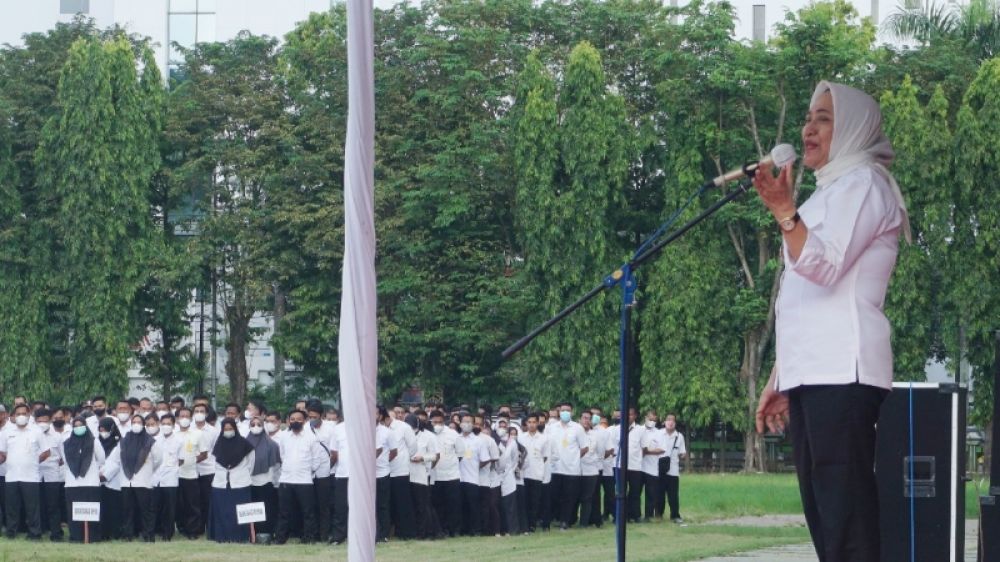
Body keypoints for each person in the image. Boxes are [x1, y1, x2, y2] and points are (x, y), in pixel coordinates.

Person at [754, 81, 910, 562]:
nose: (808, 128)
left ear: (854, 129)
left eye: (823, 118)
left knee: (847, 519)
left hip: (844, 370)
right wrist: (782, 376)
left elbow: (825, 266)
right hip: (813, 373)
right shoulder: (828, 192)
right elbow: (803, 299)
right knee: (826, 518)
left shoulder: (864, 182)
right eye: (808, 117)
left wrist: (783, 211)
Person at [273, 409, 324, 545]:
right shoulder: (283, 436)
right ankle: (280, 538)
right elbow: (282, 455)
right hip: (286, 479)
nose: (296, 421)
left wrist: (307, 471)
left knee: (308, 512)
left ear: (305, 420)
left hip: (305, 480)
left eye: (299, 419)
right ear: (289, 421)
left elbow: (316, 460)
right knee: (284, 512)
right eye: (293, 419)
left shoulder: (312, 437)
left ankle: (309, 538)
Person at [112, 414, 162, 542]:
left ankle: (148, 535)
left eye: (139, 422)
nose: (136, 424)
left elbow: (158, 460)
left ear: (143, 424)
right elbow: (117, 458)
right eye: (134, 421)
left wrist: (148, 471)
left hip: (143, 481)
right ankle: (128, 535)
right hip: (126, 481)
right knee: (127, 510)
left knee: (146, 511)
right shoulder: (124, 440)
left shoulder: (150, 441)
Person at [0, 403, 46, 539]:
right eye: (18, 414)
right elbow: (2, 453)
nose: (21, 416)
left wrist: (32, 462)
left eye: (23, 413)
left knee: (32, 508)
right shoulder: (6, 433)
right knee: (12, 508)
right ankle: (11, 533)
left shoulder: (36, 431)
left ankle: (35, 533)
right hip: (12, 476)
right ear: (13, 416)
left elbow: (46, 452)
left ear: (28, 415)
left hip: (30, 476)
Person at [208, 418, 255, 543]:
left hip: (241, 483)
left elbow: (251, 464)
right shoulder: (218, 444)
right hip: (220, 484)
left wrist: (240, 474)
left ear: (235, 429)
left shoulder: (245, 444)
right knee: (222, 512)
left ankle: (241, 537)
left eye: (231, 429)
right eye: (226, 429)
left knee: (239, 512)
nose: (228, 431)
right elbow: (214, 462)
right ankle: (222, 537)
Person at [61, 416, 106, 542]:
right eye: (75, 426)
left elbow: (101, 458)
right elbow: (65, 461)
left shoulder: (94, 441)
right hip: (72, 483)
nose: (78, 428)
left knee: (91, 512)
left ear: (86, 426)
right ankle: (76, 537)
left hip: (90, 482)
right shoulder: (67, 443)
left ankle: (93, 537)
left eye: (81, 425)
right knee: (74, 512)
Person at [548, 402, 588, 530]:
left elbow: (585, 447)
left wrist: (575, 457)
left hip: (572, 469)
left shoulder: (577, 428)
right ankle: (556, 518)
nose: (565, 412)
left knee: (569, 497)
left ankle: (565, 521)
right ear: (559, 411)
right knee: (554, 495)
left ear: (572, 412)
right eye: (563, 410)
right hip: (555, 468)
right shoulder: (552, 427)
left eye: (568, 410)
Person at [246, 415, 280, 543]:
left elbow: (276, 465)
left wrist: (272, 479)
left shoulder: (272, 444)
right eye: (253, 424)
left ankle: (266, 534)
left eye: (259, 425)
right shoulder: (244, 443)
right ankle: (252, 535)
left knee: (267, 509)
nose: (256, 427)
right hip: (248, 482)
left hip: (266, 481)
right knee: (251, 509)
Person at [175, 407, 207, 539]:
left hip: (191, 474)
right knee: (178, 504)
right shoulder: (172, 433)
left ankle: (193, 531)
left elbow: (204, 454)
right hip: (174, 475)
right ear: (176, 419)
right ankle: (181, 527)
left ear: (191, 418)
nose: (184, 419)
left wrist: (192, 461)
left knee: (192, 504)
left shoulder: (197, 434)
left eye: (187, 416)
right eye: (181, 416)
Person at [429, 410, 461, 538]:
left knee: (453, 505)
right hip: (435, 476)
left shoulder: (452, 434)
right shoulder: (428, 434)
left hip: (451, 475)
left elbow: (460, 454)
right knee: (438, 505)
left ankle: (454, 530)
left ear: (444, 422)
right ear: (430, 422)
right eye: (435, 422)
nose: (437, 424)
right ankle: (441, 530)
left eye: (440, 422)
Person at [37, 408, 67, 541]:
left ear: (50, 421)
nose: (42, 423)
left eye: (45, 420)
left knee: (53, 505)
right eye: (39, 421)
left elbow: (63, 457)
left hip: (52, 474)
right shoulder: (32, 435)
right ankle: (41, 529)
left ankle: (56, 532)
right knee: (38, 504)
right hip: (35, 474)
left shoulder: (57, 436)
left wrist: (53, 464)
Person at [456, 413, 488, 536]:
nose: (467, 424)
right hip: (458, 477)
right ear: (460, 423)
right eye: (464, 421)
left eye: (469, 422)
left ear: (474, 424)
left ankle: (476, 530)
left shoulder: (479, 441)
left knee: (473, 506)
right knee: (460, 505)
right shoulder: (456, 438)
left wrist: (475, 467)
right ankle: (463, 529)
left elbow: (485, 459)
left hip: (472, 478)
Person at [388, 405, 417, 540]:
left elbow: (412, 447)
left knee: (403, 502)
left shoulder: (404, 427)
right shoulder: (378, 429)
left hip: (400, 470)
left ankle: (407, 532)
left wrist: (403, 459)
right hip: (384, 471)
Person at [517, 412, 548, 532]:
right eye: (529, 422)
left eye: (534, 422)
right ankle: (524, 524)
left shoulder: (544, 438)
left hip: (536, 474)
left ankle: (532, 524)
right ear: (526, 423)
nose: (531, 425)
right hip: (523, 474)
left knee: (535, 501)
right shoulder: (521, 437)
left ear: (538, 423)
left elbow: (545, 457)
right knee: (524, 500)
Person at [153, 413, 182, 541]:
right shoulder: (155, 440)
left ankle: (168, 533)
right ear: (159, 424)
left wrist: (172, 468)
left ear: (174, 425)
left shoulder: (179, 440)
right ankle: (157, 530)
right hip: (155, 478)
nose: (165, 426)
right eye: (163, 424)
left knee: (169, 508)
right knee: (156, 506)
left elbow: (181, 460)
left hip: (171, 478)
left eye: (168, 424)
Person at [97, 416, 123, 540]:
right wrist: (98, 474)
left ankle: (116, 533)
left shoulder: (119, 443)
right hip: (98, 480)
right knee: (103, 509)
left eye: (105, 429)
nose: (103, 432)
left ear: (112, 429)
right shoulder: (97, 441)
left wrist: (105, 475)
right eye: (100, 429)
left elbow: (117, 463)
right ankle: (104, 534)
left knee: (114, 508)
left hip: (114, 480)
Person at [577, 411, 604, 528]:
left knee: (587, 498)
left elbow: (601, 452)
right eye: (584, 418)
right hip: (576, 469)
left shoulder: (595, 435)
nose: (586, 420)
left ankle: (584, 522)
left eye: (589, 418)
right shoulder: (575, 433)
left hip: (591, 470)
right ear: (579, 419)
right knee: (574, 496)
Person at [660, 414, 687, 524]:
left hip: (673, 470)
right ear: (664, 422)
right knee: (659, 494)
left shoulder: (679, 436)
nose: (670, 422)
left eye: (673, 420)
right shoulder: (659, 434)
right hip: (660, 469)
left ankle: (675, 515)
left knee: (673, 495)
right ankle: (658, 514)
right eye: (668, 420)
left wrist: (684, 456)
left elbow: (682, 452)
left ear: (675, 423)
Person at [640, 410, 665, 521]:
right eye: (650, 419)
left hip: (652, 468)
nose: (652, 422)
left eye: (654, 420)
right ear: (645, 418)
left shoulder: (659, 433)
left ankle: (648, 516)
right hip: (637, 467)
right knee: (635, 493)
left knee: (651, 494)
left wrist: (647, 452)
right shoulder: (638, 430)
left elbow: (661, 449)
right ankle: (634, 515)